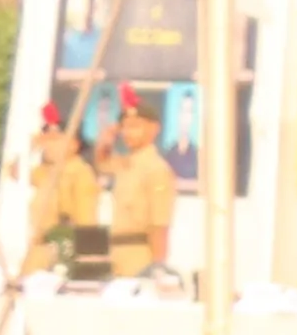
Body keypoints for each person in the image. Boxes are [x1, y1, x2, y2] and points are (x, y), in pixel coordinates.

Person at [96, 106, 180, 283]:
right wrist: (107, 137)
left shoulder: (156, 169)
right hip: (116, 253)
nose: (127, 133)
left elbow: (159, 224)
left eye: (135, 127)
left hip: (140, 256)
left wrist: (158, 265)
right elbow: (102, 162)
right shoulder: (126, 165)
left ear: (154, 129)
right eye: (124, 127)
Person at [21, 110, 99, 274]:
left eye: (55, 139)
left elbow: (87, 222)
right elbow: (16, 172)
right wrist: (30, 147)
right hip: (37, 253)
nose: (48, 145)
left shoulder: (80, 172)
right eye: (47, 139)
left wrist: (89, 266)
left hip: (61, 254)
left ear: (74, 144)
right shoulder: (45, 171)